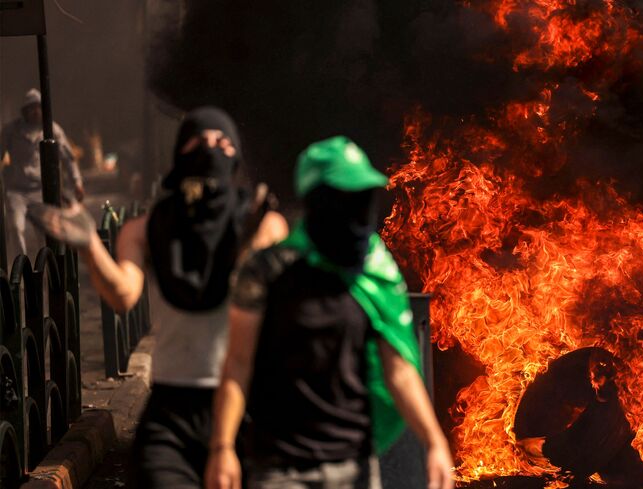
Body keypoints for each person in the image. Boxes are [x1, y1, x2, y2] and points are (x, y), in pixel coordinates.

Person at [29, 107, 288, 488]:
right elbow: (122, 295)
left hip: (248, 408)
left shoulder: (263, 222)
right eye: (200, 141)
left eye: (223, 141)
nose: (211, 148)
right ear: (180, 152)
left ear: (237, 155)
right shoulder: (147, 228)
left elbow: (258, 302)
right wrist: (89, 246)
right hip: (173, 411)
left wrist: (245, 242)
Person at [205, 136, 454, 489]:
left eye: (362, 198)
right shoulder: (269, 272)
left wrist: (434, 442)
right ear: (316, 201)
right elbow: (237, 364)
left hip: (354, 465)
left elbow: (398, 368)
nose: (356, 210)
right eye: (345, 198)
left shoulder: (373, 271)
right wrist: (222, 447)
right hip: (280, 466)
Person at [0, 88, 84, 261]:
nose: (35, 111)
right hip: (17, 191)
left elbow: (68, 157)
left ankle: (45, 275)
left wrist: (76, 182)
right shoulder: (12, 130)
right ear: (25, 111)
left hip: (41, 190)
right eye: (31, 108)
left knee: (45, 236)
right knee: (16, 228)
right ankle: (21, 271)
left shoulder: (52, 130)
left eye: (38, 107)